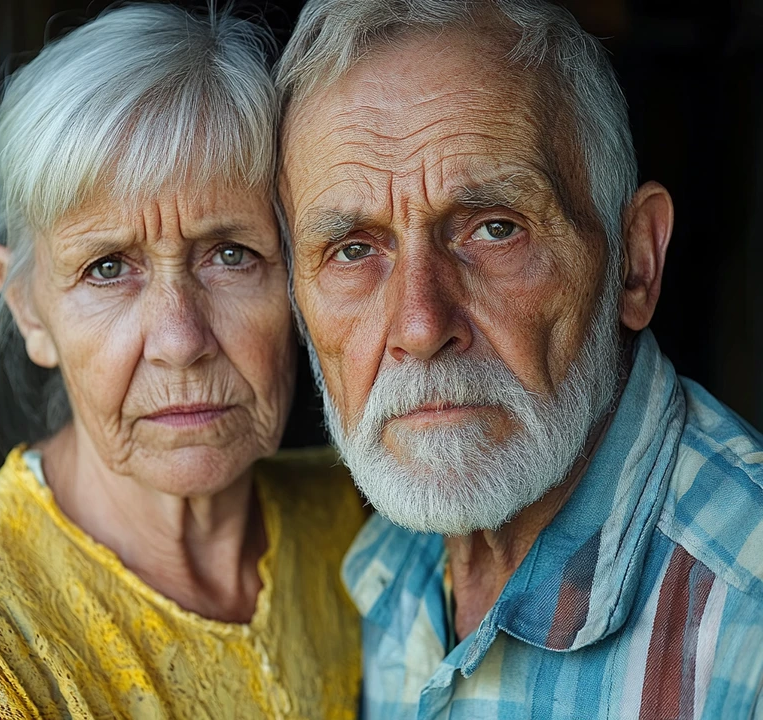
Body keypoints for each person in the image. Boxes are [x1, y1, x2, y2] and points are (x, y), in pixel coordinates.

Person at [0, 5, 364, 719]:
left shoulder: (354, 525)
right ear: (31, 313)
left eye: (231, 254)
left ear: (297, 281)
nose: (179, 339)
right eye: (107, 268)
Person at [276, 0, 763, 717]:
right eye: (353, 249)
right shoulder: (377, 562)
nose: (419, 323)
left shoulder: (744, 616)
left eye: (495, 229)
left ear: (636, 263)